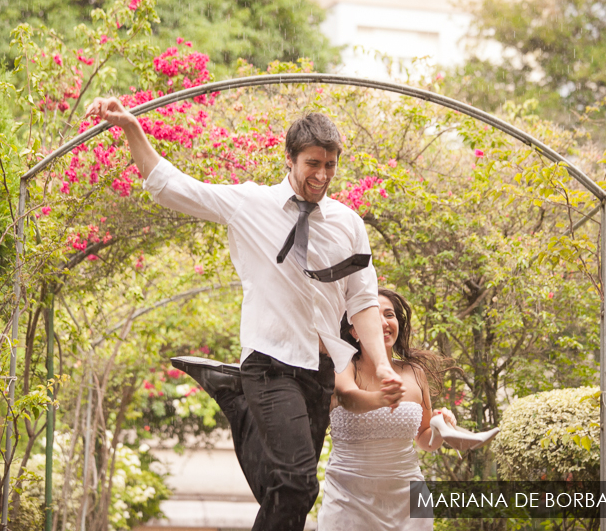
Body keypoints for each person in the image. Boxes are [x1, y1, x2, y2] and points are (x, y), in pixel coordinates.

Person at [83, 98, 405, 531]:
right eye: (313, 163)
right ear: (289, 159)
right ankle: (240, 395)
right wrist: (131, 129)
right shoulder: (250, 203)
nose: (322, 175)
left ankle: (234, 401)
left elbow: (363, 302)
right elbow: (170, 186)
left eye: (330, 165)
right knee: (293, 482)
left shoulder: (348, 224)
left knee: (298, 490)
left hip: (320, 369)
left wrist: (382, 365)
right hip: (270, 364)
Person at [318, 288, 499, 531]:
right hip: (348, 498)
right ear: (355, 330)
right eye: (373, 316)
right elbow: (347, 397)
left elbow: (424, 440)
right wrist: (384, 398)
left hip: (408, 499)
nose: (384, 322)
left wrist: (438, 429)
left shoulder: (415, 374)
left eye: (390, 315)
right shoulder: (344, 367)